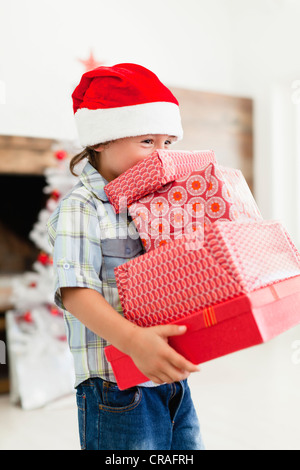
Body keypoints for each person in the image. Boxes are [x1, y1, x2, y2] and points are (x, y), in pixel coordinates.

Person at [47, 63, 205, 451]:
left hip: (168, 375)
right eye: (147, 142)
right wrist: (133, 341)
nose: (160, 156)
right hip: (115, 387)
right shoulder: (82, 207)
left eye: (167, 143)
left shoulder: (154, 203)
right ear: (101, 140)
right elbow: (75, 291)